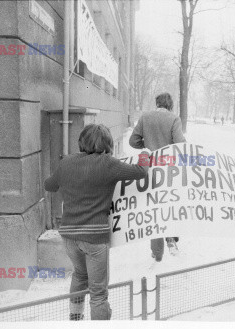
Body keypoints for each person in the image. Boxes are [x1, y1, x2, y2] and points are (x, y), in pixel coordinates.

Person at [44, 124, 150, 321]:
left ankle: (75, 319)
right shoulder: (107, 163)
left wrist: (66, 175)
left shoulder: (67, 162)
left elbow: (49, 185)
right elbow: (140, 172)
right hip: (94, 239)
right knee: (98, 292)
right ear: (108, 144)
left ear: (82, 141)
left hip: (69, 237)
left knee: (79, 276)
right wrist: (144, 155)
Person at [129, 92, 185, 262]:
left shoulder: (146, 117)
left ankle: (157, 252)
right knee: (170, 203)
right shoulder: (174, 119)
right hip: (169, 170)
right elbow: (180, 145)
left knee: (154, 209)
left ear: (157, 103)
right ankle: (171, 237)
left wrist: (146, 145)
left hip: (150, 169)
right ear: (170, 105)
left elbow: (133, 141)